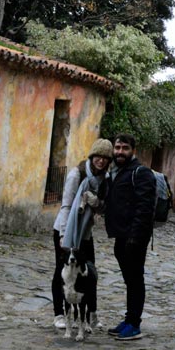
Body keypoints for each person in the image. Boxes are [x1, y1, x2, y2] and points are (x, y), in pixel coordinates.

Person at [51, 138, 113, 330]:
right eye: (98, 156)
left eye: (105, 158)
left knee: (89, 273)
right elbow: (67, 205)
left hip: (85, 232)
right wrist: (63, 235)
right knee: (62, 273)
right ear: (92, 156)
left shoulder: (105, 180)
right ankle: (59, 314)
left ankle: (91, 315)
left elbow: (103, 208)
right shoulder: (76, 174)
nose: (101, 161)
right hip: (67, 230)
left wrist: (97, 204)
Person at [104, 133, 156, 341]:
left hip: (134, 238)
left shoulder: (141, 173)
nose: (120, 152)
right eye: (117, 148)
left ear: (133, 150)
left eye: (125, 148)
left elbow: (145, 208)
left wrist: (135, 237)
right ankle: (128, 319)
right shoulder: (119, 172)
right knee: (129, 280)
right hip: (121, 236)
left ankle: (134, 324)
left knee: (135, 280)